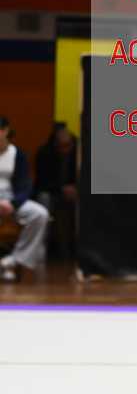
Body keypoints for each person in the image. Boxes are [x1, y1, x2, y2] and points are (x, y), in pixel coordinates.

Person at [0, 116, 49, 282]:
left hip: (11, 200)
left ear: (6, 131)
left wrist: (13, 204)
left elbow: (25, 186)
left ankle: (13, 261)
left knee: (40, 214)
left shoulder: (18, 155)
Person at [34, 124, 78, 259]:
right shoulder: (44, 153)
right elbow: (42, 182)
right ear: (55, 144)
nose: (65, 149)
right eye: (62, 146)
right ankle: (41, 248)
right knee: (43, 199)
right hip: (51, 191)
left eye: (68, 145)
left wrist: (76, 188)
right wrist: (61, 189)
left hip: (75, 191)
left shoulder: (79, 153)